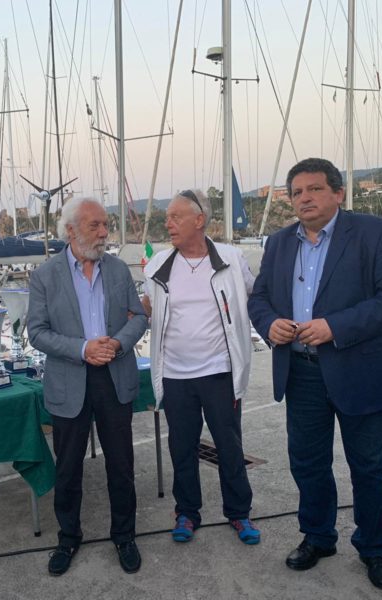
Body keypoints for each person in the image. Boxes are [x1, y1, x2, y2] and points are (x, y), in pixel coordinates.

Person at [248, 158, 382, 592]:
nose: (305, 198)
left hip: (361, 370)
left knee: (370, 467)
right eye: (297, 192)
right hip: (301, 373)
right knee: (308, 462)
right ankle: (318, 536)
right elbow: (259, 298)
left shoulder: (376, 233)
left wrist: (335, 326)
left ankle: (373, 548)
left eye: (314, 189)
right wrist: (270, 324)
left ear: (338, 193)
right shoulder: (279, 242)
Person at [28, 197, 148, 576]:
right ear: (71, 230)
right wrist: (83, 349)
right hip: (70, 380)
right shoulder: (45, 276)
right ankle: (68, 537)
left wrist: (117, 343)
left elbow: (139, 317)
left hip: (114, 376)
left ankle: (124, 536)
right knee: (68, 469)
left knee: (121, 465)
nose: (103, 232)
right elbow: (37, 332)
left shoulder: (118, 270)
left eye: (105, 224)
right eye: (94, 225)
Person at [142, 189, 260, 546]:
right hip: (175, 374)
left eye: (175, 216)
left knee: (229, 445)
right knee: (182, 447)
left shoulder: (231, 258)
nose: (168, 223)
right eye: (167, 217)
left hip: (220, 372)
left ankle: (239, 512)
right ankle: (187, 513)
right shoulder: (158, 264)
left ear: (199, 220)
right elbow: (147, 308)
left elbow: (256, 297)